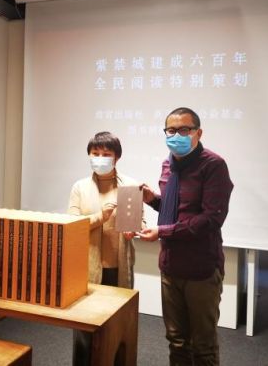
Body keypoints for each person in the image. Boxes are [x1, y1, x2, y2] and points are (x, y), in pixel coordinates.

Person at [139, 107, 233, 366]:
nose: (176, 135)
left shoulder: (213, 165)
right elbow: (176, 210)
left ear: (198, 133)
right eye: (171, 130)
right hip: (170, 266)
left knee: (203, 346)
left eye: (184, 130)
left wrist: (163, 231)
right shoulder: (167, 164)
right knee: (176, 340)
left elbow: (211, 219)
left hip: (201, 269)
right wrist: (153, 200)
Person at [68, 131, 144, 366]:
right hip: (88, 269)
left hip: (118, 267)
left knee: (118, 324)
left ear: (116, 157)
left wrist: (135, 230)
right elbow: (71, 225)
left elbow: (140, 222)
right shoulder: (80, 187)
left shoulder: (131, 186)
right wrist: (101, 216)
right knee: (85, 326)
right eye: (95, 153)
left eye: (106, 154)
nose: (100, 158)